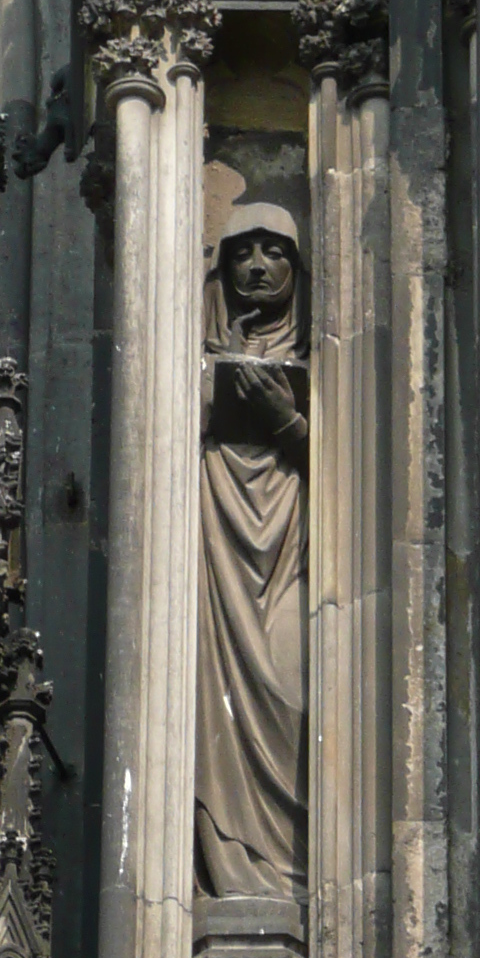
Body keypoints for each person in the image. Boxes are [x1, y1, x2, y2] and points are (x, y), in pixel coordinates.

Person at [196, 208, 309, 894]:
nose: (258, 266)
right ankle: (235, 871)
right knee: (221, 701)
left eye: (274, 253)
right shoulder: (204, 350)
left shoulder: (328, 354)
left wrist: (286, 419)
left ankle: (288, 867)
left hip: (292, 552)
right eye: (243, 253)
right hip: (219, 552)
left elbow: (371, 486)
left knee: (290, 687)